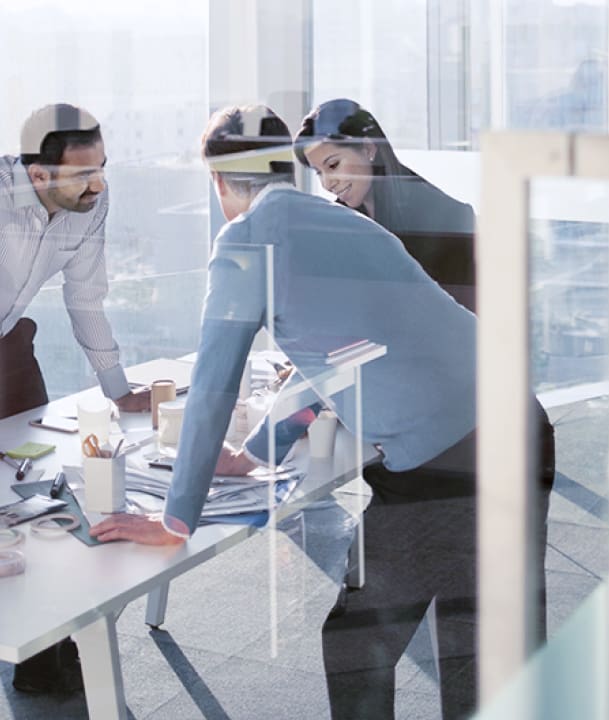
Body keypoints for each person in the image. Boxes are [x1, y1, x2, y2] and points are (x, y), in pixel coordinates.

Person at [90, 105, 554, 720]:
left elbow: (213, 381)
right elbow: (349, 357)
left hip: (448, 465)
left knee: (358, 643)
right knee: (487, 646)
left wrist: (178, 517)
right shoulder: (357, 228)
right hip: (524, 428)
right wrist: (256, 453)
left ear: (219, 181)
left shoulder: (246, 239)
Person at [1, 103, 149, 695]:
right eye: (83, 173)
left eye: (103, 168)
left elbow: (85, 296)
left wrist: (118, 386)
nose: (99, 184)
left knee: (36, 481)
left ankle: (43, 651)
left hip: (7, 344)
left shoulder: (92, 203)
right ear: (38, 175)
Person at [294, 98, 476, 312]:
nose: (326, 183)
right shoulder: (341, 219)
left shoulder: (444, 217)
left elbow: (456, 319)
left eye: (333, 165)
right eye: (319, 172)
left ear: (368, 149)